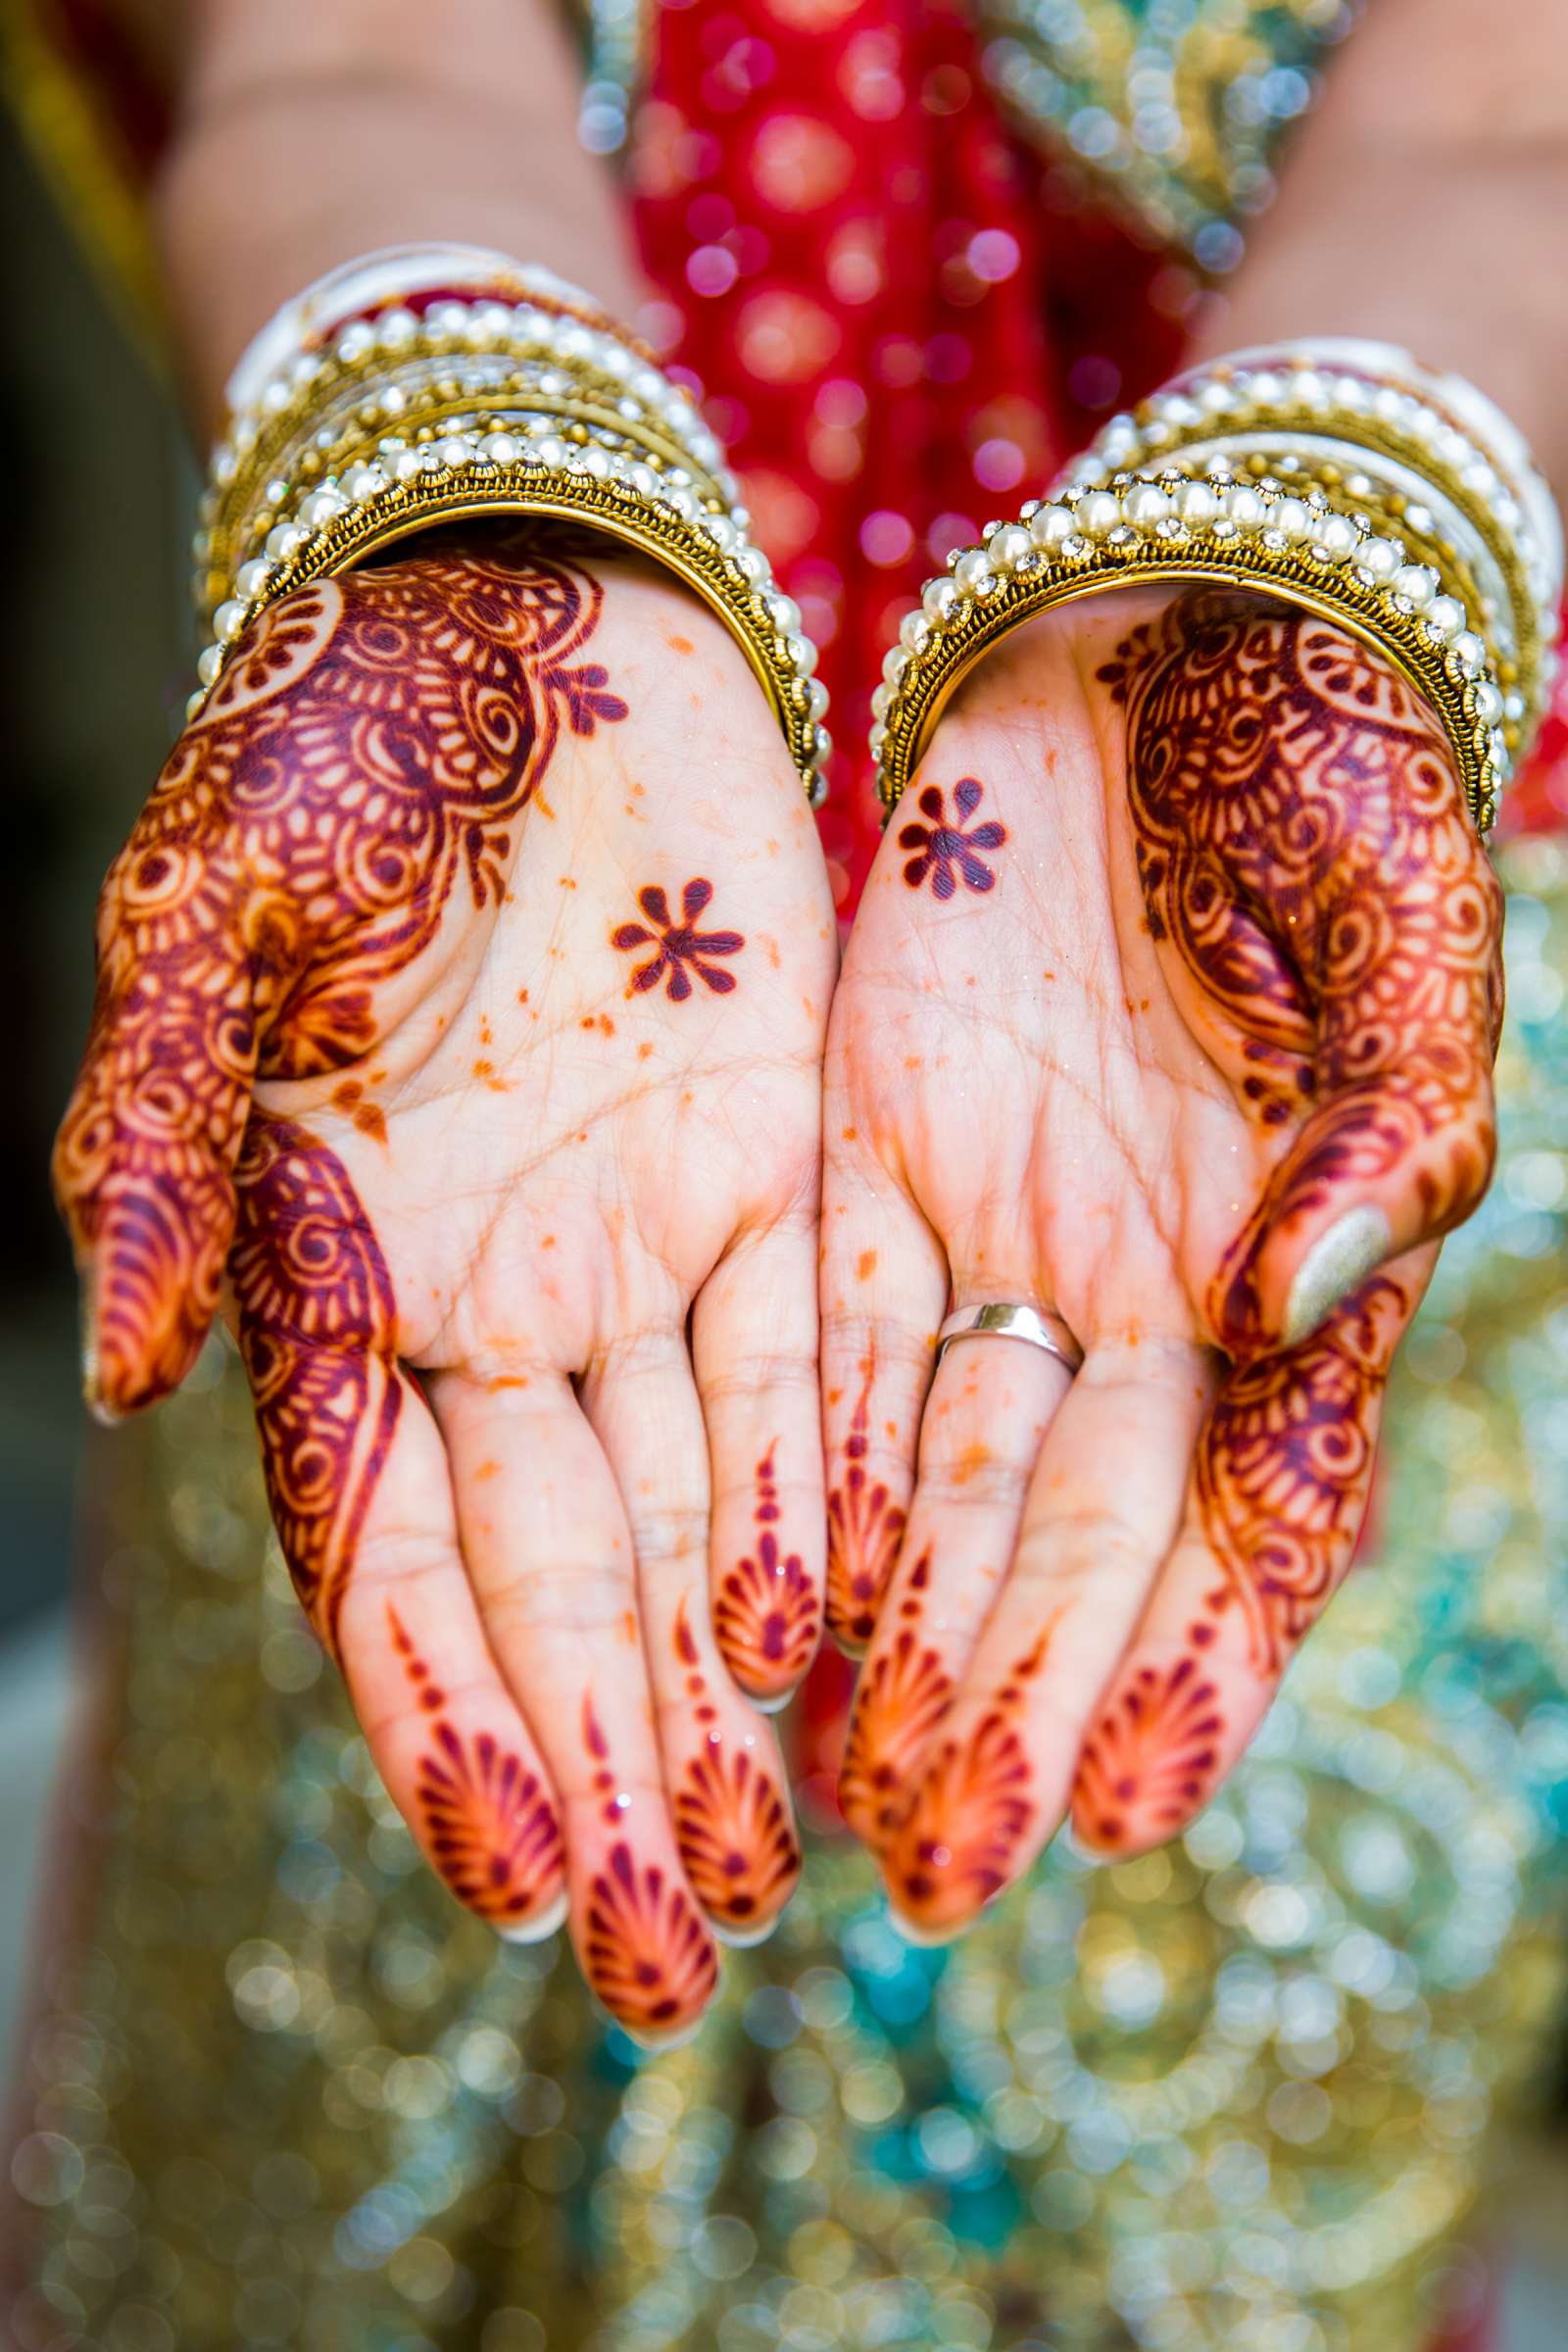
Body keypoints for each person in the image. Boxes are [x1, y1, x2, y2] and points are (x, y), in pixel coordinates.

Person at [6, 0, 1568, 2345]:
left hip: (1273, 1019)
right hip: (471, 1025)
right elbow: (345, 59)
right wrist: (455, 486)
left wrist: (1336, 541)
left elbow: (1514, 114)